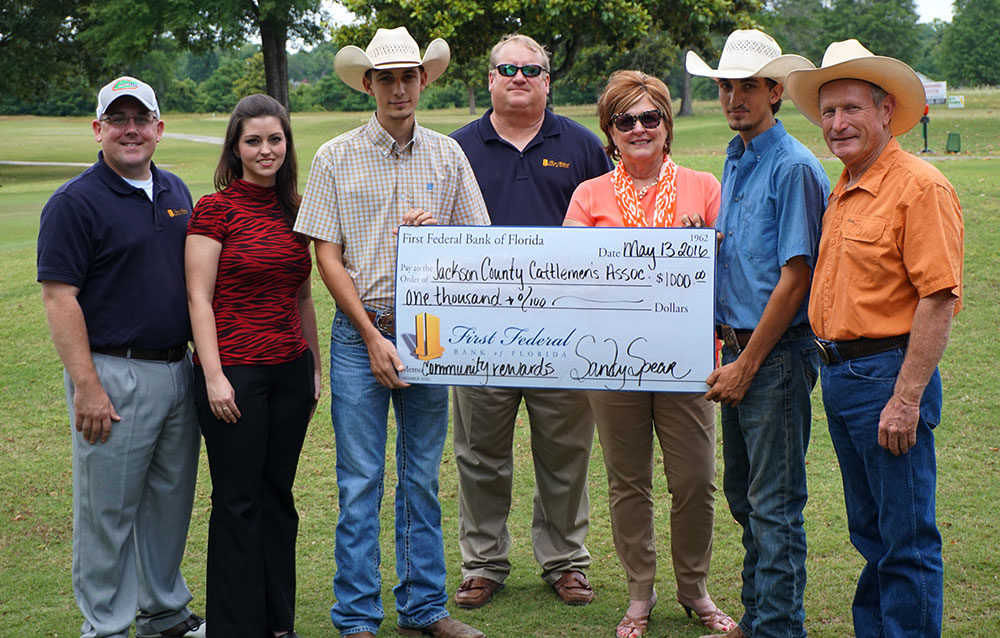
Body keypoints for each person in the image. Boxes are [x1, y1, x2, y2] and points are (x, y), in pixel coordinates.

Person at [292, 27, 490, 638]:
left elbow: (480, 245)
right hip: (361, 335)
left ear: (423, 81)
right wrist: (372, 337)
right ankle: (356, 617)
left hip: (429, 334)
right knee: (359, 482)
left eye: (409, 76)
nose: (399, 88)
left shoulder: (448, 154)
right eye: (387, 78)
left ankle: (424, 608)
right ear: (369, 85)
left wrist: (441, 236)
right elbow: (326, 257)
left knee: (421, 477)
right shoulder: (335, 156)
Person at [784, 40, 964, 638]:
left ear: (887, 111)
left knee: (905, 539)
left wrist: (906, 397)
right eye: (829, 112)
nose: (838, 124)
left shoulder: (919, 186)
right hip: (841, 376)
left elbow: (939, 298)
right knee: (871, 534)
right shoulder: (846, 184)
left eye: (852, 109)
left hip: (887, 377)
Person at [563, 70, 733, 638]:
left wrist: (703, 242)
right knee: (627, 480)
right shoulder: (589, 195)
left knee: (695, 480)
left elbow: (731, 274)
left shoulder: (704, 186)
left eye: (650, 117)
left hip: (687, 362)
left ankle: (695, 589)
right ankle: (640, 593)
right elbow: (567, 278)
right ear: (609, 132)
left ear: (666, 125)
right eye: (624, 120)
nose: (638, 128)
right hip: (611, 361)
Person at [36, 76, 206, 638]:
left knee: (168, 504)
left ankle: (165, 614)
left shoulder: (177, 191)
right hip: (112, 372)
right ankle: (106, 625)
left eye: (141, 119)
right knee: (106, 514)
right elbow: (60, 299)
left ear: (159, 128)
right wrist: (86, 385)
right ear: (98, 130)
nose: (130, 130)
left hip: (176, 370)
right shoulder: (74, 203)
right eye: (118, 119)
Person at [447, 33, 611, 610]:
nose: (519, 77)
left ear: (548, 81)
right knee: (478, 452)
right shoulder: (456, 148)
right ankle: (483, 563)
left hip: (565, 334)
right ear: (489, 78)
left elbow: (612, 226)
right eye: (507, 68)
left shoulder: (585, 146)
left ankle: (565, 561)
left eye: (531, 69)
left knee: (565, 452)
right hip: (479, 333)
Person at [686, 29, 829, 638]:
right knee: (747, 497)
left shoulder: (792, 166)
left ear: (775, 90)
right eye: (726, 86)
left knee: (772, 505)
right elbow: (748, 258)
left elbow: (796, 278)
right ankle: (759, 616)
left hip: (773, 355)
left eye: (749, 86)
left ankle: (776, 626)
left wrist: (747, 363)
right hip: (740, 349)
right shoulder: (738, 156)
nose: (734, 97)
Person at [185, 93, 321, 638]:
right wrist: (213, 376)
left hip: (289, 372)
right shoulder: (213, 209)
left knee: (277, 497)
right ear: (236, 148)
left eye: (275, 139)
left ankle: (277, 623)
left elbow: (304, 296)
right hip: (234, 373)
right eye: (253, 140)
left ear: (286, 145)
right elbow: (199, 298)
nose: (266, 149)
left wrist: (313, 368)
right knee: (238, 501)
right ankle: (234, 626)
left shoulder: (297, 209)